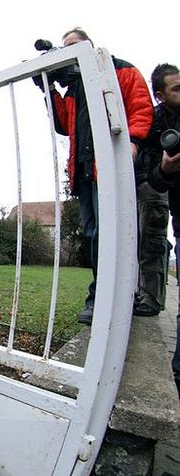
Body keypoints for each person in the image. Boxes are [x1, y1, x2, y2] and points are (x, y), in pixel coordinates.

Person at [46, 27, 153, 325]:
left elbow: (140, 106)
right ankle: (104, 294)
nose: (69, 49)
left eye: (74, 45)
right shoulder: (75, 87)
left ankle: (110, 296)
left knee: (114, 233)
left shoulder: (119, 70)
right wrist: (50, 90)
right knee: (95, 234)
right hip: (84, 170)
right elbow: (64, 125)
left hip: (110, 167)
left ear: (91, 46)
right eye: (63, 46)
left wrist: (133, 143)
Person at [143, 63, 180, 395]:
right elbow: (153, 176)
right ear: (161, 94)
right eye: (176, 89)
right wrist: (165, 168)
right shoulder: (157, 123)